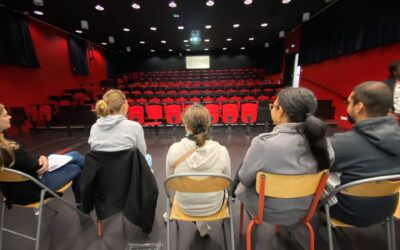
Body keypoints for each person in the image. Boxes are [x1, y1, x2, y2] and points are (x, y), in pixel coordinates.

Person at [235, 87, 334, 225]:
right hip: (305, 209)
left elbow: (245, 179)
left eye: (273, 106)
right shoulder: (324, 143)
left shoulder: (263, 144)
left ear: (280, 111)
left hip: (267, 211)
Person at [328, 81, 400, 227]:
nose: (347, 107)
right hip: (387, 209)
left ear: (359, 107)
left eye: (348, 103)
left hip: (347, 212)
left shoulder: (339, 144)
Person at [0, 104, 84, 207]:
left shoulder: (5, 146)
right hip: (32, 190)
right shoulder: (8, 148)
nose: (10, 116)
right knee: (76, 167)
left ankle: (85, 198)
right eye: (5, 115)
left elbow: (26, 161)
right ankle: (83, 201)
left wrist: (41, 158)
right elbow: (38, 167)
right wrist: (42, 158)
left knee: (74, 155)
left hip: (11, 192)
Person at [165, 104, 231, 237]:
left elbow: (170, 181)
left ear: (186, 126)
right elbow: (227, 183)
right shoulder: (222, 151)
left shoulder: (174, 150)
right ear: (208, 125)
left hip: (185, 206)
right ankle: (202, 223)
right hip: (214, 206)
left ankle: (198, 222)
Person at [88, 89, 152, 166]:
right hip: (130, 174)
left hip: (103, 174)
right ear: (124, 105)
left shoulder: (94, 128)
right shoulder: (134, 127)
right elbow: (142, 155)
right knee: (148, 157)